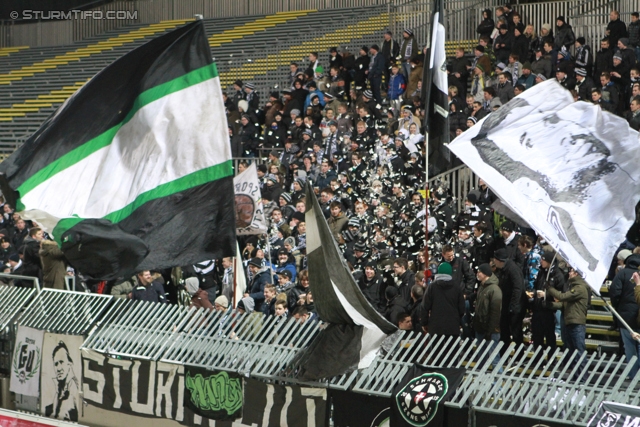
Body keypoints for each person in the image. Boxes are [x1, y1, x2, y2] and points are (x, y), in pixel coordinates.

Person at [544, 267, 589, 377]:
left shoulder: (580, 288)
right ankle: (575, 374)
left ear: (577, 274)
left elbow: (562, 297)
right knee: (572, 351)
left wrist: (549, 288)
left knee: (579, 350)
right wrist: (550, 305)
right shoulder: (572, 287)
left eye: (572, 271)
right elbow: (563, 304)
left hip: (576, 323)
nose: (569, 273)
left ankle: (583, 377)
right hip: (570, 322)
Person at [610, 255, 640, 378]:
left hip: (625, 317)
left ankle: (634, 376)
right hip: (638, 315)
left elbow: (614, 292)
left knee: (630, 349)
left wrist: (618, 308)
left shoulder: (622, 274)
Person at [422, 262, 465, 338]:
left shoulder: (432, 287)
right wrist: (459, 322)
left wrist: (424, 323)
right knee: (453, 349)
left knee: (437, 349)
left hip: (435, 327)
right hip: (453, 326)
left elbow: (425, 306)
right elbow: (461, 308)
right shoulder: (457, 288)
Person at [493, 248, 525, 347]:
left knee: (516, 332)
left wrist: (513, 306)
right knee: (504, 332)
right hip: (505, 305)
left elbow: (517, 288)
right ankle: (504, 355)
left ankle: (519, 357)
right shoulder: (502, 270)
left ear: (499, 260)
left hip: (514, 307)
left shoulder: (512, 269)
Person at [473, 263, 503, 370]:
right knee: (481, 358)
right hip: (480, 327)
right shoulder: (482, 287)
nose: (477, 273)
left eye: (479, 272)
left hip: (491, 330)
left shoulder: (494, 289)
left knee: (494, 358)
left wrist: (491, 330)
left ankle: (498, 385)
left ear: (485, 273)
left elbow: (495, 312)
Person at [45, 341, 79, 421]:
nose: (59, 368)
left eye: (61, 362)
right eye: (56, 364)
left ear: (69, 363)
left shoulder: (73, 386)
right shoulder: (59, 387)